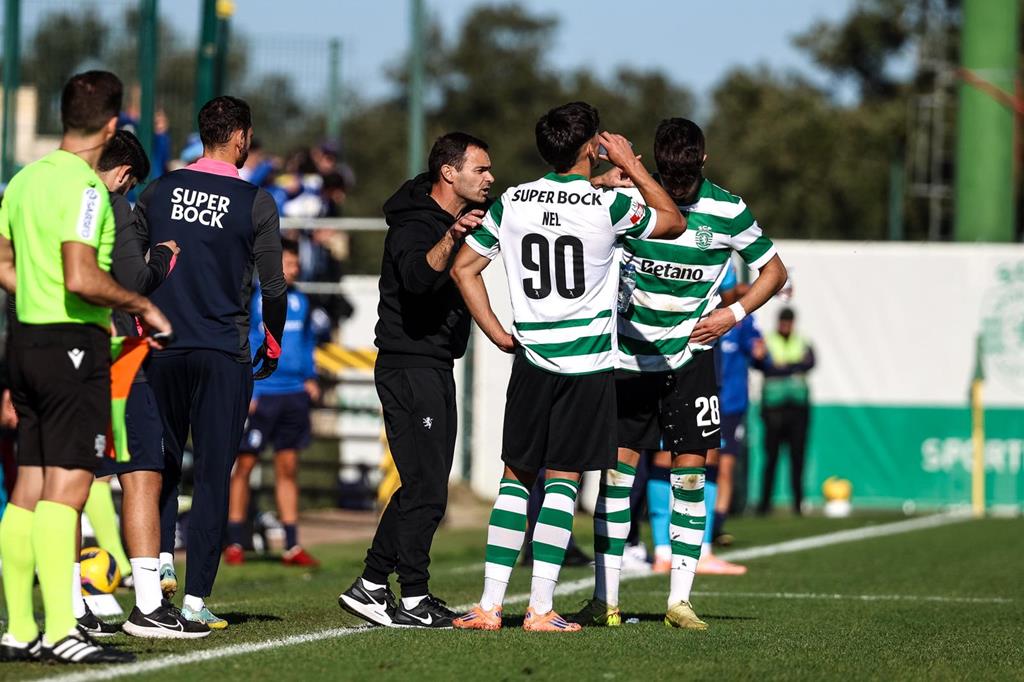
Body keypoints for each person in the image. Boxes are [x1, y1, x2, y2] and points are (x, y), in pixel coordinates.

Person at [451, 101, 685, 633]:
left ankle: (488, 606)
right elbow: (673, 220)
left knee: (515, 479)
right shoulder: (607, 207)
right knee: (562, 481)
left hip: (532, 360)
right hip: (586, 366)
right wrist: (632, 165)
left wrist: (498, 333)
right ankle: (540, 609)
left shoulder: (513, 201)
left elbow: (465, 269)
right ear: (590, 147)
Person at [573, 117, 788, 630]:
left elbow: (775, 271)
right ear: (657, 166)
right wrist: (606, 175)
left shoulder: (728, 210)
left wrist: (733, 314)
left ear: (704, 163)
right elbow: (566, 202)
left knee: (689, 476)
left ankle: (679, 602)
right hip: (628, 358)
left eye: (687, 178)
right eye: (670, 177)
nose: (680, 187)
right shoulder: (630, 198)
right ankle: (605, 599)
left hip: (691, 361)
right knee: (616, 478)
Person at [0, 70, 172, 664]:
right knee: (69, 488)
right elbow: (81, 276)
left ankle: (19, 631)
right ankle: (61, 631)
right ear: (111, 124)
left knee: (28, 487)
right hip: (73, 346)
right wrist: (142, 305)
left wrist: (36, 295)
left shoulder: (24, 179)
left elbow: (3, 261)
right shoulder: (87, 188)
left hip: (25, 341)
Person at [135, 95, 287, 630]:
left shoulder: (157, 191)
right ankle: (196, 600)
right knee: (214, 476)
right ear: (241, 136)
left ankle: (158, 567)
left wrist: (139, 328)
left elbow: (132, 268)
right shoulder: (255, 201)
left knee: (159, 465)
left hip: (162, 348)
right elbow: (274, 286)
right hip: (223, 352)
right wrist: (273, 344)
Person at [337, 132, 492, 629]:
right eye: (480, 169)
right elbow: (418, 279)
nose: (489, 178)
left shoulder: (464, 216)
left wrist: (595, 184)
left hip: (434, 364)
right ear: (449, 172)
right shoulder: (413, 223)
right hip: (408, 366)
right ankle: (412, 594)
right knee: (426, 488)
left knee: (425, 485)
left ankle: (372, 585)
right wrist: (452, 236)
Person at [85, 129, 209, 638]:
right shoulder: (109, 203)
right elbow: (133, 280)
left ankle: (69, 609)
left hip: (44, 347)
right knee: (143, 467)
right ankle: (149, 606)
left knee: (61, 477)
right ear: (123, 173)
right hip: (111, 349)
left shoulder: (33, 190)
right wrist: (162, 256)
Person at [226, 238, 329, 568]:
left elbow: (307, 343)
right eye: (288, 263)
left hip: (294, 396)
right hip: (263, 394)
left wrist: (310, 377)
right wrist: (249, 391)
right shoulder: (254, 299)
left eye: (297, 263)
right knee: (244, 465)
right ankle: (235, 541)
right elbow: (245, 342)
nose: (294, 269)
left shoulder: (302, 301)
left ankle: (291, 545)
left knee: (287, 469)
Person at [713, 279, 766, 545]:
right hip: (703, 400)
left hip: (732, 404)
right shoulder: (703, 311)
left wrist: (760, 351)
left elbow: (759, 354)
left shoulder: (742, 320)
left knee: (725, 466)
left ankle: (716, 525)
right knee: (698, 465)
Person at [757, 307, 815, 515]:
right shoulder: (768, 340)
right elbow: (761, 363)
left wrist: (782, 367)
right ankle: (765, 504)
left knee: (797, 456)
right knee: (771, 457)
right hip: (773, 407)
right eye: (783, 322)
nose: (785, 326)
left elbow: (810, 362)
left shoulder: (802, 341)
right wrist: (792, 366)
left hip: (797, 406)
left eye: (788, 322)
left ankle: (798, 503)